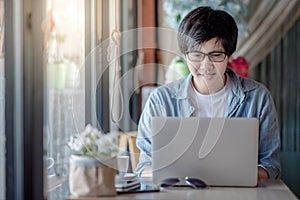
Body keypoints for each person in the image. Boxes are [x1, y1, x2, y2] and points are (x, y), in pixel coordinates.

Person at [135, 6, 281, 181]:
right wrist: (171, 173)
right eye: (196, 55)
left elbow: (270, 166)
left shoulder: (257, 97)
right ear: (184, 55)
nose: (206, 66)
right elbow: (143, 167)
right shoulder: (161, 100)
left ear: (230, 55)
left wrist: (234, 175)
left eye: (216, 55)